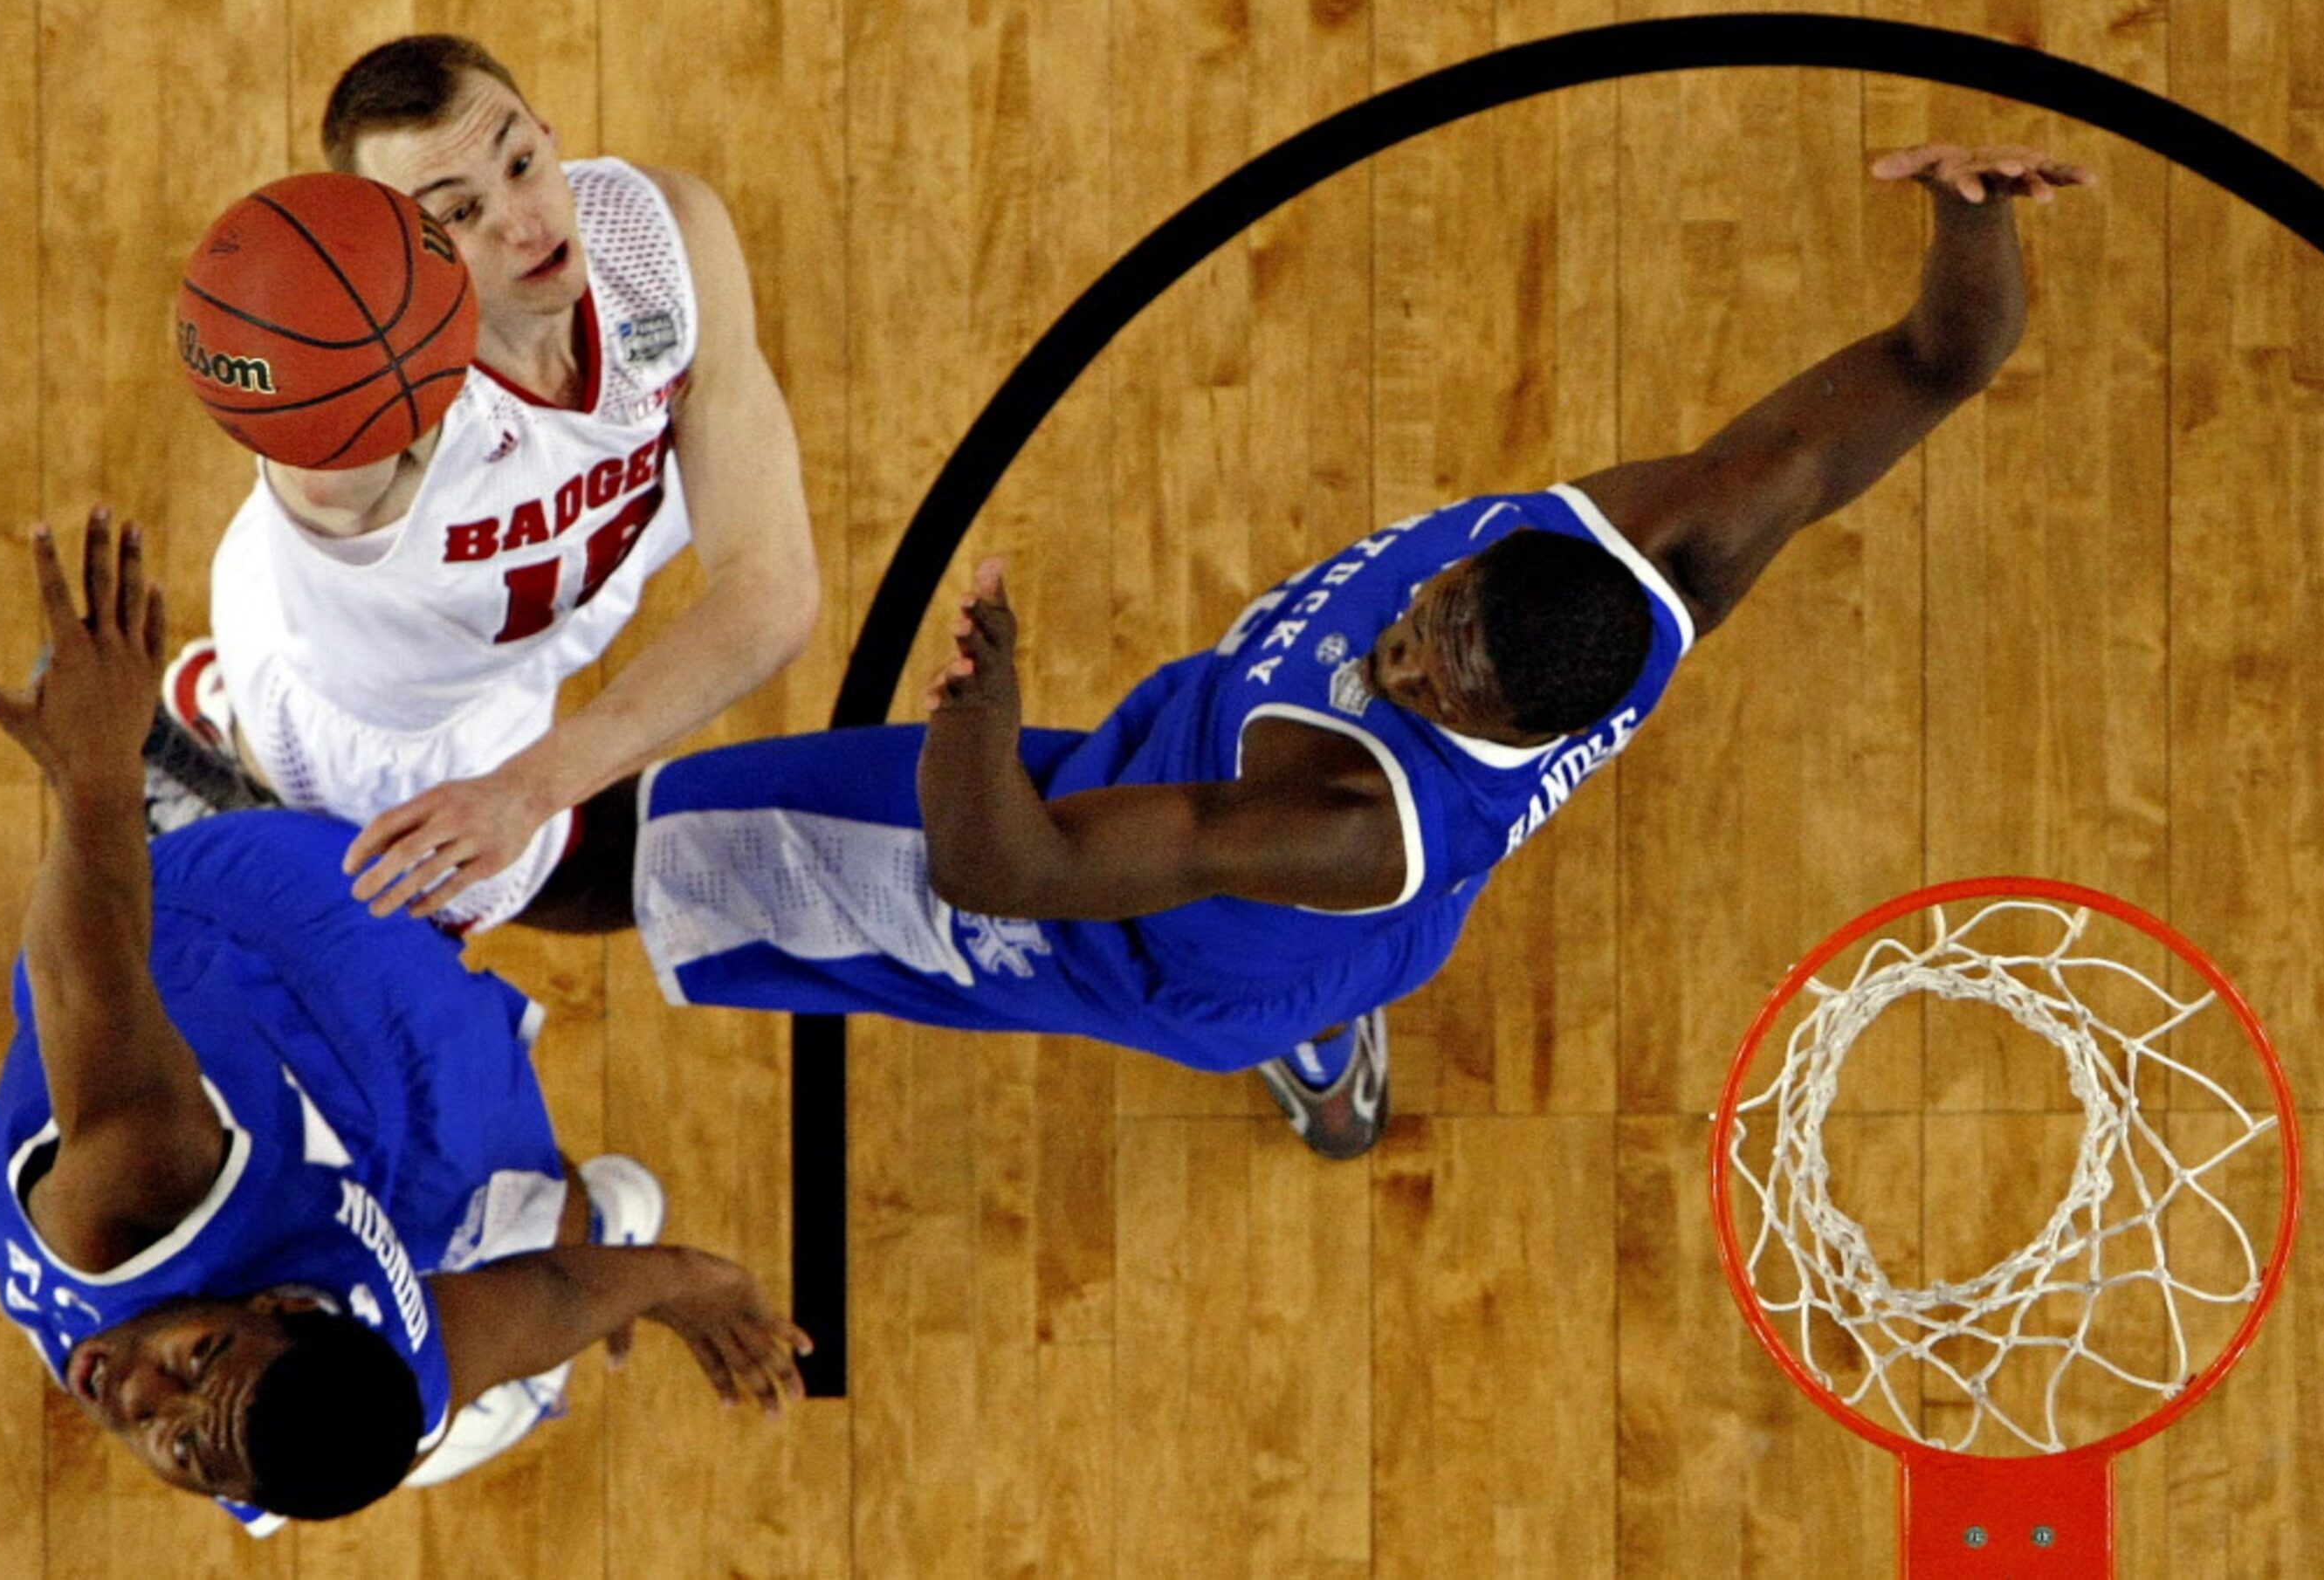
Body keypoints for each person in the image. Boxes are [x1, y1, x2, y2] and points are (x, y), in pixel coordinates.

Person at [493, 143, 2091, 1159]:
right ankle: (1312, 1037)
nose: (1405, 640)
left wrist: (978, 705)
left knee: (678, 849)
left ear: (1482, 724)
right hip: (1334, 922)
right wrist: (1974, 214)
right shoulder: (1669, 541)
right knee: (1294, 962)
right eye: (1437, 607)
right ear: (1534, 548)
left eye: (1433, 675)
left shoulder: (1338, 805)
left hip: (1111, 909)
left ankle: (393, 854)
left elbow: (1010, 871)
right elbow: (1931, 359)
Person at [0, 514, 811, 1531]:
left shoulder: (368, 1378)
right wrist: (92, 770)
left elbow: (543, 1307)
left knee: (520, 1259)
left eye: (180, 1446)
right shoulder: (140, 1194)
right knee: (542, 1240)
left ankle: (237, 769)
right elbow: (81, 975)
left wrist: (675, 1285)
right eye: (200, 1360)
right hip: (289, 938)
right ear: (282, 1307)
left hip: (296, 1077)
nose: (139, 1397)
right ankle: (215, 793)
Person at [165, 34, 819, 932]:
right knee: (495, 892)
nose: (525, 222)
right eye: (461, 213)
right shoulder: (369, 423)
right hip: (397, 708)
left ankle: (223, 696)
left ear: (548, 133)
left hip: (549, 614)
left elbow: (772, 593)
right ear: (394, 249)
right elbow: (312, 446)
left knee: (537, 815)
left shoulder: (663, 236)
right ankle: (222, 724)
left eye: (520, 162)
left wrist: (530, 788)